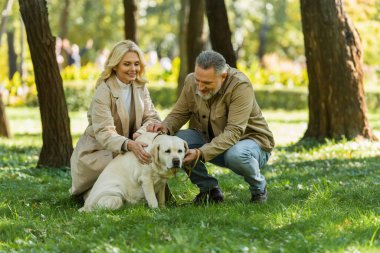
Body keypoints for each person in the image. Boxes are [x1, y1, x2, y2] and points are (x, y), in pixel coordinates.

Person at [147, 50, 274, 204]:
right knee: (178, 141)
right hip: (210, 139)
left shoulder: (240, 85)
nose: (200, 87)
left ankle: (258, 189)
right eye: (198, 80)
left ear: (223, 76)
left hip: (250, 144)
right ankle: (210, 191)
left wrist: (200, 153)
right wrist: (165, 127)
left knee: (236, 154)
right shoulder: (191, 81)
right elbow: (179, 114)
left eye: (207, 83)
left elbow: (234, 133)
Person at [70, 40, 161, 198]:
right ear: (115, 65)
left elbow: (152, 117)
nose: (133, 69)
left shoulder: (140, 86)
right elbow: (104, 132)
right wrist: (129, 144)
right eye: (127, 64)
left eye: (136, 64)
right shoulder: (103, 91)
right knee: (103, 196)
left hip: (130, 148)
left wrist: (139, 134)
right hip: (100, 153)